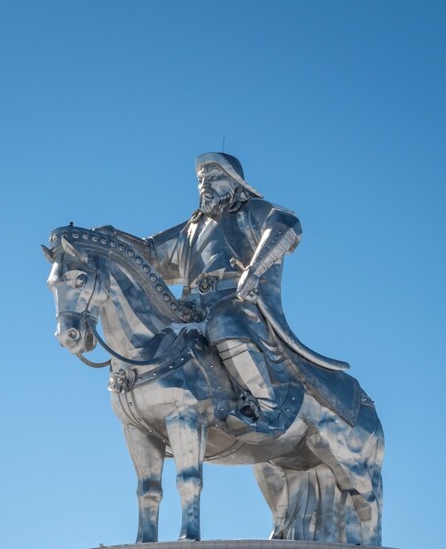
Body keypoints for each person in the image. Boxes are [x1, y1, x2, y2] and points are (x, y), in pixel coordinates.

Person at [107, 153, 308, 434]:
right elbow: (150, 253)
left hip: (235, 302)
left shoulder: (252, 211)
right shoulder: (192, 228)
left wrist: (255, 269)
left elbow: (286, 225)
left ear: (235, 183)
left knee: (223, 323)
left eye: (213, 178)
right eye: (201, 180)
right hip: (188, 308)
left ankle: (268, 405)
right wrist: (113, 239)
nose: (205, 186)